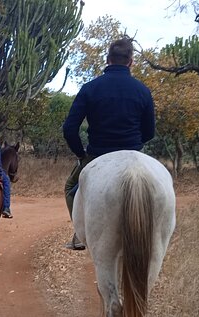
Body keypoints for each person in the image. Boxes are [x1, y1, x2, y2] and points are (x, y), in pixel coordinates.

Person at [62, 37, 155, 249]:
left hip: (98, 155)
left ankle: (79, 234)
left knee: (70, 187)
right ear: (131, 61)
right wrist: (133, 144)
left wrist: (80, 154)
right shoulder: (143, 91)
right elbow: (149, 132)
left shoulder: (90, 88)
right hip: (134, 152)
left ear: (108, 59)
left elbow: (69, 129)